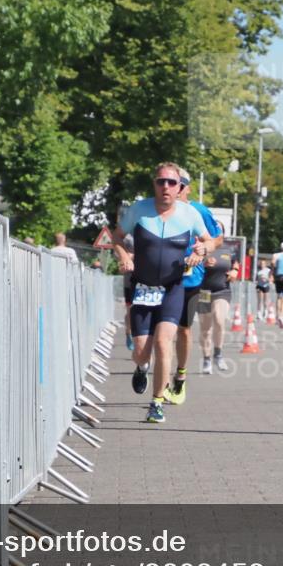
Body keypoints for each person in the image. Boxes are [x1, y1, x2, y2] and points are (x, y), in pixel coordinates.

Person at [112, 163, 215, 424]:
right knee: (141, 351)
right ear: (154, 184)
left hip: (173, 288)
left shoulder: (190, 214)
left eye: (172, 183)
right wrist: (124, 256)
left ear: (180, 186)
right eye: (161, 182)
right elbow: (117, 237)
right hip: (143, 288)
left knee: (163, 342)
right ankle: (141, 367)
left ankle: (157, 402)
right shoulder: (138, 210)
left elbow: (210, 240)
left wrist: (201, 250)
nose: (166, 187)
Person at [164, 168, 223, 406]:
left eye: (179, 183)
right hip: (163, 277)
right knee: (162, 332)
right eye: (168, 182)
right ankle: (161, 382)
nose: (173, 187)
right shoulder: (159, 210)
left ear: (186, 187)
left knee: (183, 330)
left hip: (191, 279)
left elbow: (217, 238)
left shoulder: (198, 210)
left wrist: (204, 250)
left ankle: (180, 375)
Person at [198, 222, 239, 374]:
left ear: (222, 233)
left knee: (220, 320)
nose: (215, 232)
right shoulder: (201, 247)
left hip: (222, 289)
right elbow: (189, 265)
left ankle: (218, 354)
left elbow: (235, 263)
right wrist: (202, 263)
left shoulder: (229, 249)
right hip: (203, 291)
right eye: (212, 229)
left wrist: (235, 270)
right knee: (205, 328)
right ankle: (207, 359)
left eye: (218, 230)